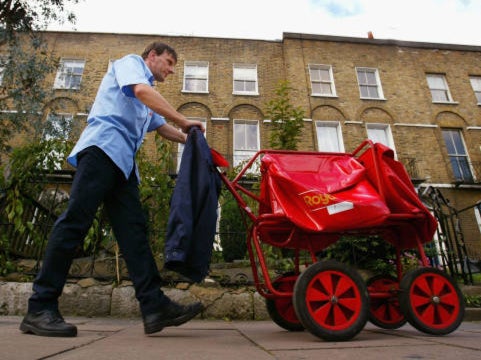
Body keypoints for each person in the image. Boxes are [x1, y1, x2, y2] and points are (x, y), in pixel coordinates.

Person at [19, 42, 205, 337]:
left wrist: (194, 141)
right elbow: (143, 93)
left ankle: (154, 306)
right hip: (101, 150)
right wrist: (183, 119)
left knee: (134, 235)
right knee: (74, 224)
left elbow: (161, 126)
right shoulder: (130, 64)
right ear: (152, 56)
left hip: (123, 165)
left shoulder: (147, 98)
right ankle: (40, 307)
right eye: (169, 62)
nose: (171, 70)